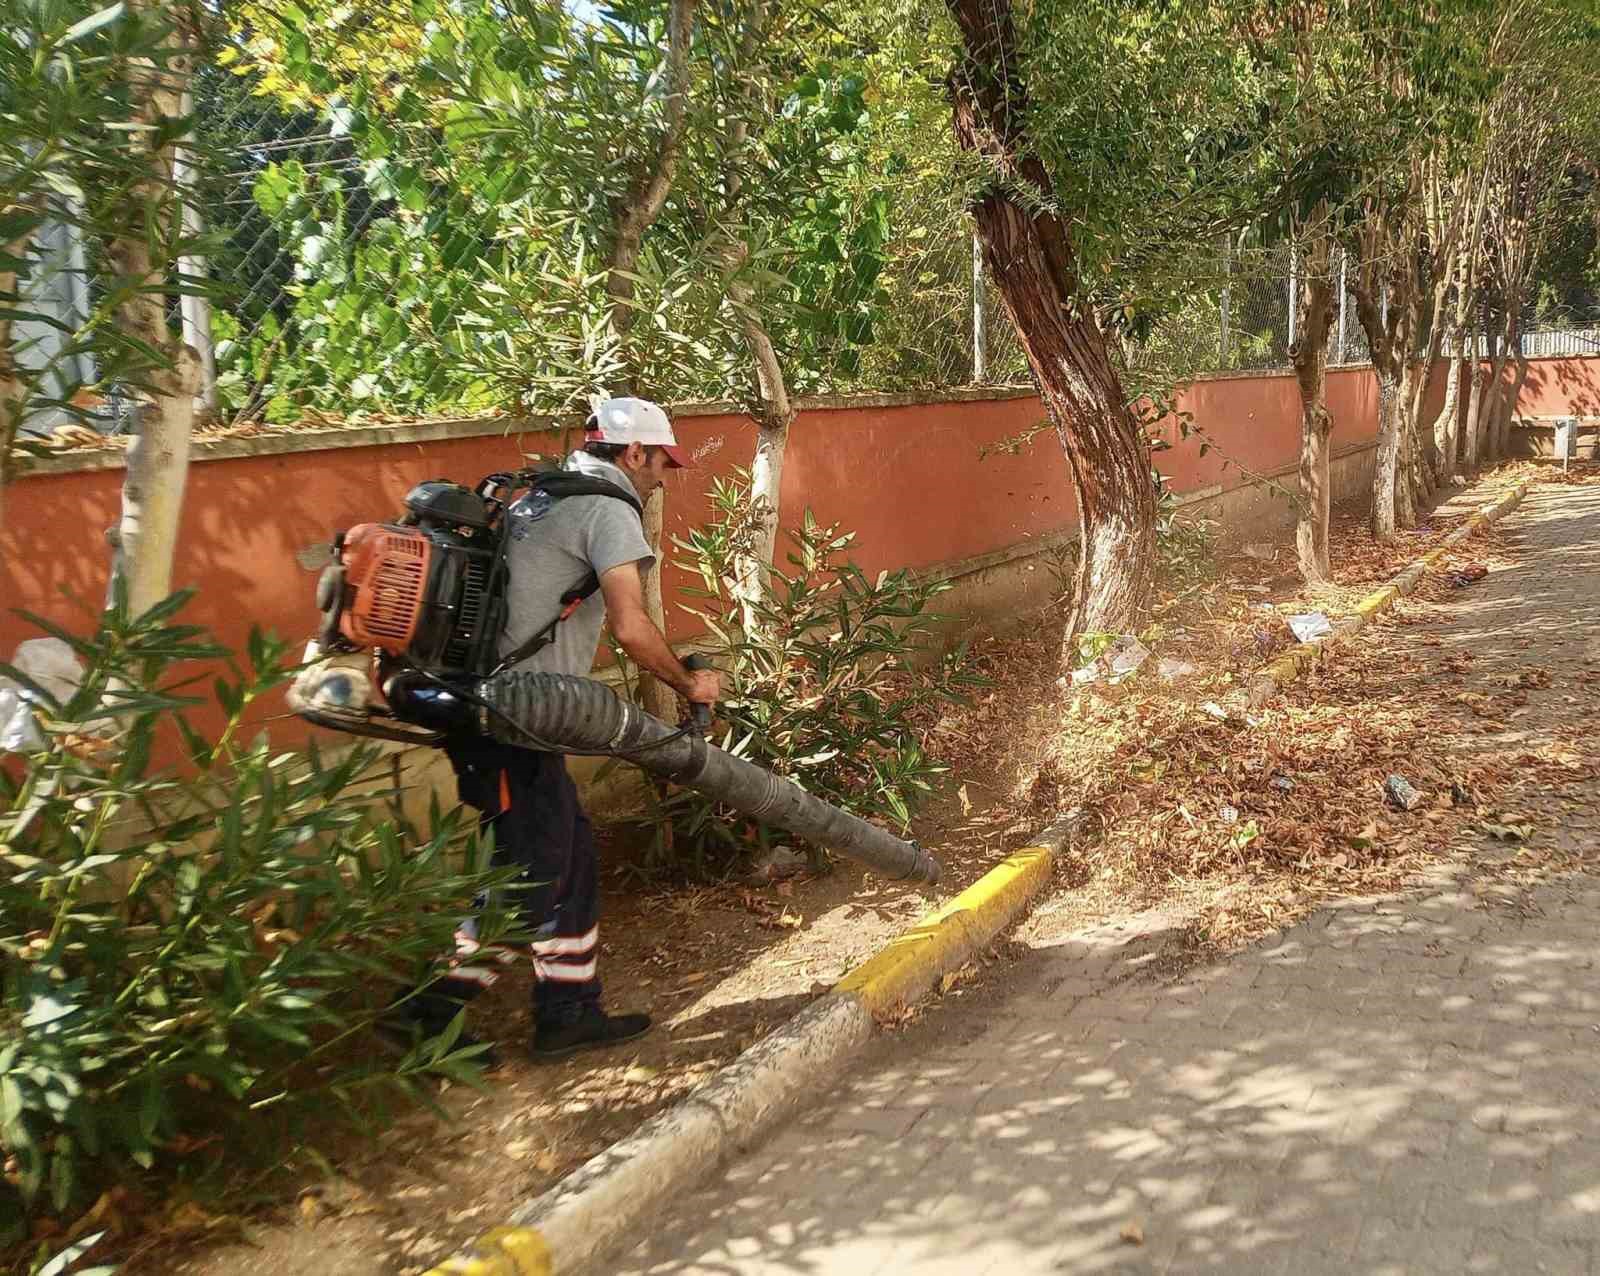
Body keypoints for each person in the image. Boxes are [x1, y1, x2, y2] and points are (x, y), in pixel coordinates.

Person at [421, 397, 721, 1060]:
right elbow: (633, 629)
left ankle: (568, 1011)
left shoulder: (538, 495)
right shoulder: (609, 509)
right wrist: (689, 682)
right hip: (509, 716)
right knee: (532, 869)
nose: (661, 476)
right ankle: (427, 1016)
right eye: (658, 462)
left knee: (569, 857)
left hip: (503, 712)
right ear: (632, 452)